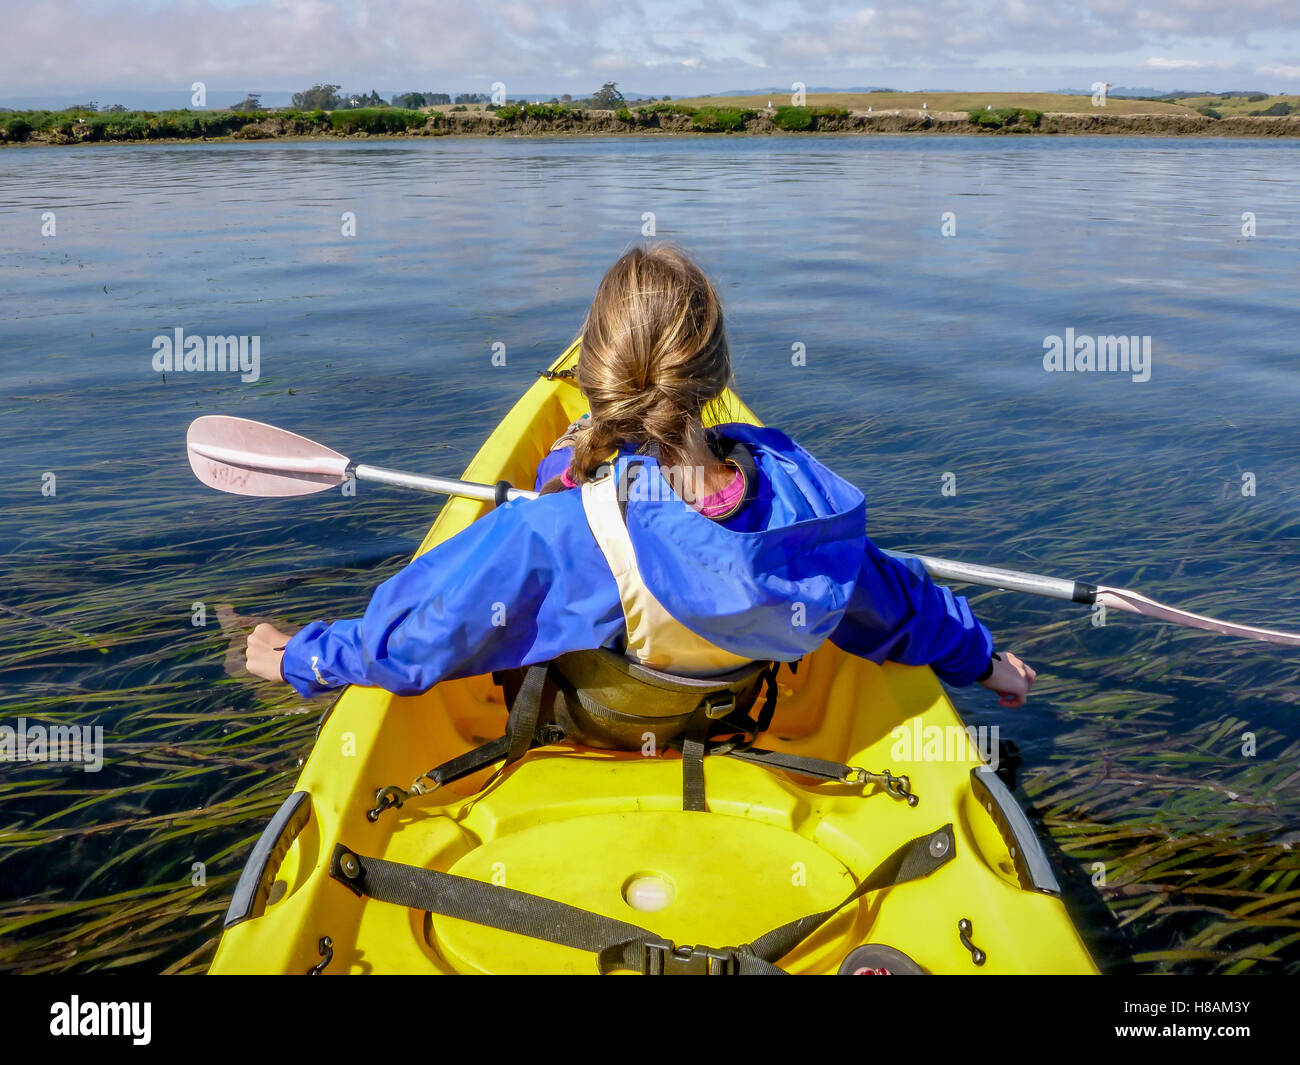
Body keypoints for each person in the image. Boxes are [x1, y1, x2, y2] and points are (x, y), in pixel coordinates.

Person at [245, 244, 1035, 708]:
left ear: (598, 375)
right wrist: (988, 662)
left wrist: (296, 656)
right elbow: (900, 605)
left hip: (608, 718)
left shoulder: (550, 534)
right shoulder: (809, 518)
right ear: (716, 375)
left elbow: (416, 636)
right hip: (732, 715)